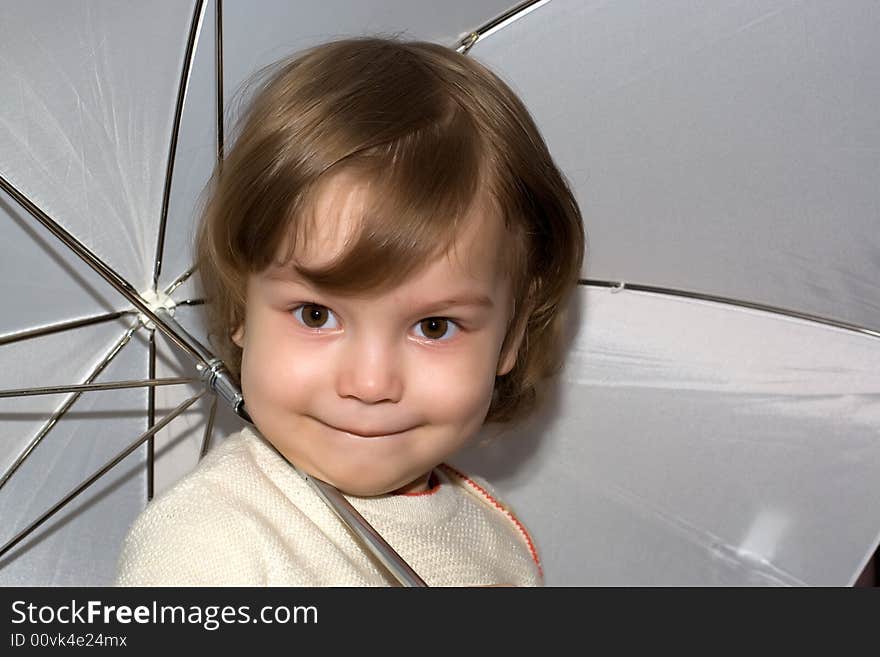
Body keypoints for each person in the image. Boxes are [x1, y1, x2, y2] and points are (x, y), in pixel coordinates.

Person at [115, 36, 584, 586]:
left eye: (434, 326)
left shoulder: (493, 538)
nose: (369, 382)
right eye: (316, 315)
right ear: (243, 304)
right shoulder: (203, 551)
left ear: (510, 337)